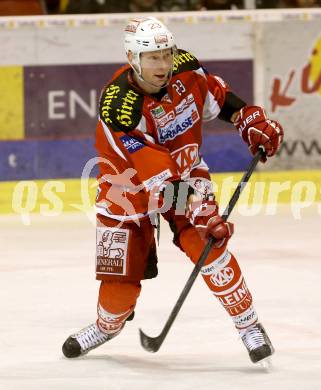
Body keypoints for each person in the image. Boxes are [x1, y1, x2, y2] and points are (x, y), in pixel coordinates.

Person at [62, 17, 283, 364]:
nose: (163, 64)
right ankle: (107, 326)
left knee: (209, 246)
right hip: (127, 188)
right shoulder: (120, 107)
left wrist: (249, 120)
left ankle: (248, 325)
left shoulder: (187, 70)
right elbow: (157, 178)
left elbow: (219, 98)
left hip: (184, 171)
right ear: (134, 59)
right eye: (153, 58)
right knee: (119, 291)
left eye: (167, 54)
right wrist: (198, 205)